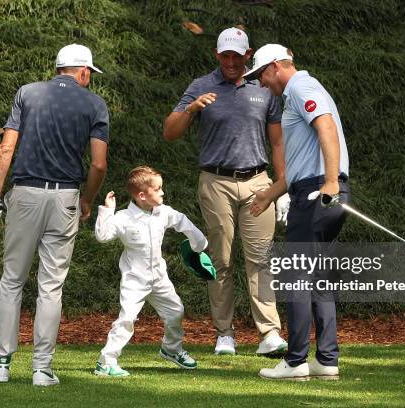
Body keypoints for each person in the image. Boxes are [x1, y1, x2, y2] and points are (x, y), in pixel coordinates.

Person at [0, 44, 109, 386]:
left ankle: (0, 363)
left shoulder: (28, 93)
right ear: (83, 71)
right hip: (65, 197)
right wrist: (87, 200)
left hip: (25, 194)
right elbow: (98, 163)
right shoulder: (95, 104)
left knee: (12, 279)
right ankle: (41, 368)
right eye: (90, 75)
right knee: (51, 286)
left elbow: (6, 147)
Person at [163, 27, 288, 356]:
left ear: (248, 54)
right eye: (225, 55)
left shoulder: (263, 86)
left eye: (237, 55)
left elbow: (277, 141)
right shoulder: (201, 86)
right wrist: (192, 109)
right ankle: (224, 334)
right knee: (220, 260)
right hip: (215, 181)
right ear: (217, 54)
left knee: (260, 258)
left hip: (258, 182)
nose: (231, 61)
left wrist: (281, 186)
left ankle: (270, 333)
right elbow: (169, 132)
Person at [244, 44, 350, 380]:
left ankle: (295, 361)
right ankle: (327, 360)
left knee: (295, 277)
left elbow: (327, 127)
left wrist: (330, 181)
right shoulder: (294, 94)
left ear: (276, 66)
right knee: (317, 278)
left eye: (261, 74)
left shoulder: (301, 86)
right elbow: (296, 168)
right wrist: (267, 196)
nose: (262, 83)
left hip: (318, 193)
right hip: (318, 189)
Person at [93, 166, 207, 377]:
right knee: (127, 318)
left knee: (176, 311)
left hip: (159, 278)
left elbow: (183, 222)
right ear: (142, 195)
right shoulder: (124, 217)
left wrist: (199, 245)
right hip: (134, 280)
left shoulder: (164, 212)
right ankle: (105, 362)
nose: (163, 192)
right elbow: (103, 235)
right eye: (158, 189)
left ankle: (171, 349)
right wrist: (107, 210)